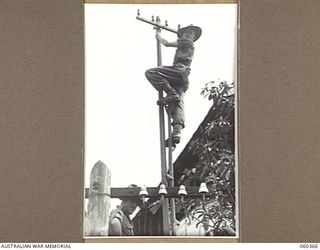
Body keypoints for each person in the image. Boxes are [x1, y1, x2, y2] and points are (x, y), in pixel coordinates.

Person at [145, 25, 202, 146]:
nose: (188, 34)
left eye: (191, 33)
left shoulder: (186, 42)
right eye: (186, 32)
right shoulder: (189, 45)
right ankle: (176, 133)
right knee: (178, 102)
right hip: (183, 77)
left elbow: (165, 43)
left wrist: (158, 35)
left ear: (193, 37)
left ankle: (170, 93)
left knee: (151, 72)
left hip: (179, 70)